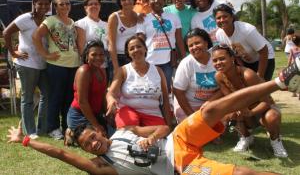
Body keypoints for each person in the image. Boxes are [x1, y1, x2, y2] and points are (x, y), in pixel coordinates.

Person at [8, 56, 300, 175]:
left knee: (208, 109)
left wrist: (151, 138)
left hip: (178, 139)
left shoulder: (123, 132)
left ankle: (280, 81)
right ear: (90, 152)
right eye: (88, 146)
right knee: (242, 173)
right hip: (179, 164)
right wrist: (26, 141)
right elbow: (62, 156)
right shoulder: (104, 167)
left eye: (92, 138)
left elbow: (161, 128)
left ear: (99, 133)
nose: (94, 144)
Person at [211, 44, 288, 157]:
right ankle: (246, 137)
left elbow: (266, 102)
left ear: (232, 59)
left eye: (222, 58)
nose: (218, 63)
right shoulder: (219, 77)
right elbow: (230, 101)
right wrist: (234, 111)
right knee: (228, 112)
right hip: (244, 110)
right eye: (215, 60)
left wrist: (250, 112)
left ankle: (275, 141)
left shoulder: (248, 75)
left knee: (272, 117)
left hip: (263, 109)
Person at [3, 0, 51, 139]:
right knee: (27, 97)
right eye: (40, 3)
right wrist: (14, 53)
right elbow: (6, 32)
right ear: (34, 4)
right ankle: (30, 131)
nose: (43, 6)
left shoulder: (48, 20)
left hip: (43, 63)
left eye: (46, 3)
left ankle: (42, 128)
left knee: (47, 95)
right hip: (27, 64)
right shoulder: (25, 18)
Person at [33, 0, 80, 140]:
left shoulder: (72, 21)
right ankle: (52, 128)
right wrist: (45, 54)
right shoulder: (50, 20)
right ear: (56, 6)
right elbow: (36, 36)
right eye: (61, 4)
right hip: (57, 66)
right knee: (56, 97)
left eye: (67, 3)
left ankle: (66, 126)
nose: (65, 6)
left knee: (69, 98)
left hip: (73, 65)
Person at [106, 35, 172, 138]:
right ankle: (135, 133)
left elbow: (165, 101)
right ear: (128, 53)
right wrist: (111, 100)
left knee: (160, 138)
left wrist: (168, 127)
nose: (136, 50)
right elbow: (111, 92)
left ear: (145, 48)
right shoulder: (123, 70)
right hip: (128, 111)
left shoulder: (158, 71)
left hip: (152, 113)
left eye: (139, 46)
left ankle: (133, 132)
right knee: (128, 136)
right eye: (131, 48)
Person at [137, 0, 186, 90]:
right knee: (150, 89)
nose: (156, 1)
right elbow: (140, 41)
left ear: (164, 0)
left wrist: (183, 58)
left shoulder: (174, 17)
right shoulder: (143, 19)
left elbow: (179, 39)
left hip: (168, 62)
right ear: (148, 1)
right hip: (149, 61)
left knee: (165, 90)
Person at [214, 3, 275, 81]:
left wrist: (260, 76)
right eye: (218, 18)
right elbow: (233, 54)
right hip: (246, 61)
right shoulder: (219, 35)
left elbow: (264, 51)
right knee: (248, 87)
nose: (222, 20)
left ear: (232, 17)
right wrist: (242, 69)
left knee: (260, 86)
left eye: (225, 16)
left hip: (265, 58)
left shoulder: (247, 30)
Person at [173, 28, 221, 123]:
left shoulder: (217, 57)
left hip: (212, 103)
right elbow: (178, 92)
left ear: (206, 43)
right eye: (190, 45)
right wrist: (193, 117)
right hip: (188, 105)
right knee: (196, 131)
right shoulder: (186, 63)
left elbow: (225, 86)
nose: (194, 47)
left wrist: (210, 102)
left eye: (197, 43)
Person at [66, 40, 108, 145]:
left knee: (112, 132)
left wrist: (107, 115)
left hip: (95, 114)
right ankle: (71, 133)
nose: (98, 57)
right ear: (86, 56)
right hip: (79, 115)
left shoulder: (102, 71)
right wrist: (97, 126)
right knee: (99, 139)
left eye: (101, 54)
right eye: (94, 54)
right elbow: (82, 102)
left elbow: (103, 96)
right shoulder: (83, 71)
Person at [107, 0, 138, 78]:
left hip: (134, 57)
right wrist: (116, 66)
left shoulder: (138, 16)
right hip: (117, 57)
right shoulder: (114, 17)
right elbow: (111, 43)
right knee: (116, 88)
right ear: (120, 2)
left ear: (134, 0)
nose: (127, 1)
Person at [288, 35, 300, 99]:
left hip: (294, 65)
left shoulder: (292, 49)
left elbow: (290, 59)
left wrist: (288, 66)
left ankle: (294, 93)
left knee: (294, 79)